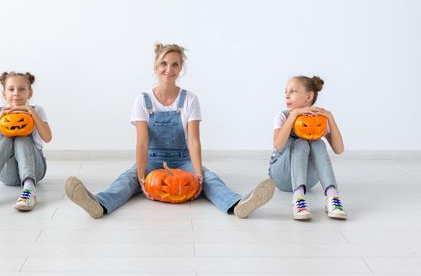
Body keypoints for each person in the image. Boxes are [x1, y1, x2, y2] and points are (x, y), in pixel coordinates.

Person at [65, 43, 274, 218]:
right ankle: (98, 204)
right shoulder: (143, 100)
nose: (169, 69)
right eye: (163, 64)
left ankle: (238, 204)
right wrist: (140, 174)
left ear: (180, 68)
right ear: (156, 66)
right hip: (152, 159)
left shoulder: (190, 99)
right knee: (127, 179)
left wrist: (198, 173)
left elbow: (193, 141)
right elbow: (142, 142)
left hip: (183, 160)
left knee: (210, 179)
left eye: (175, 65)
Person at [0, 71, 52, 212]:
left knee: (22, 138)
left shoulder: (37, 110)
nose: (16, 93)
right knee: (6, 140)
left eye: (21, 89)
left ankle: (29, 190)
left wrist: (31, 112)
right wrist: (1, 116)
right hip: (7, 174)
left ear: (29, 93)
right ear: (4, 94)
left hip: (34, 170)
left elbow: (47, 138)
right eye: (11, 89)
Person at [269, 75, 346, 220]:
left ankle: (332, 196)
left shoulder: (319, 119)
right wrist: (294, 116)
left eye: (293, 91)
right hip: (281, 175)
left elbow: (339, 149)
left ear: (309, 96)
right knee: (301, 142)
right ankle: (298, 199)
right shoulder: (282, 116)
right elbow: (278, 145)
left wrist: (330, 117)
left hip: (308, 180)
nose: (287, 95)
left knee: (318, 142)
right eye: (286, 91)